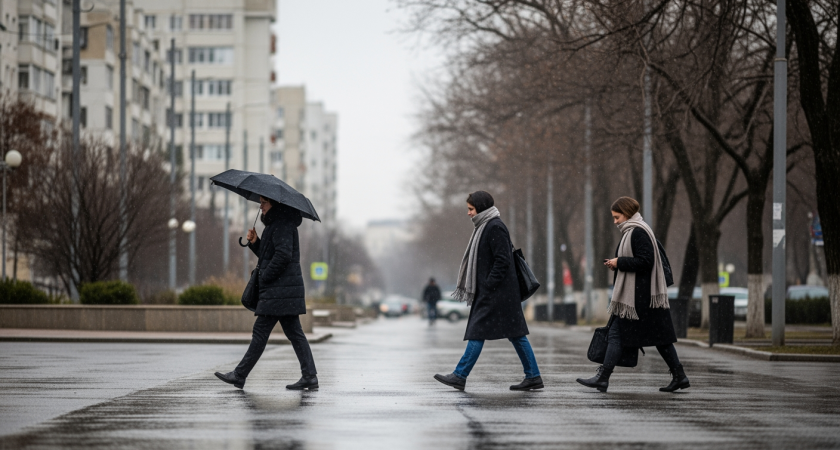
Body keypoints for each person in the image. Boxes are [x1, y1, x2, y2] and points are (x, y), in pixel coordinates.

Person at [576, 196, 689, 393]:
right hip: (641, 296)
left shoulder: (638, 232)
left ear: (627, 213)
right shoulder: (633, 231)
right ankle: (679, 376)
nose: (615, 221)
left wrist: (620, 262)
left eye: (617, 217)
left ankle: (603, 378)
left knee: (617, 334)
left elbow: (646, 262)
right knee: (660, 339)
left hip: (639, 298)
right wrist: (618, 264)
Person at [434, 191, 543, 391]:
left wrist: (488, 284)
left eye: (471, 209)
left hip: (497, 293)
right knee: (516, 334)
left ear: (481, 208)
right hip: (499, 293)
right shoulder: (485, 226)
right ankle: (533, 376)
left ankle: (460, 375)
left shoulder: (494, 227)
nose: (468, 213)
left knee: (477, 331)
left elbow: (503, 260)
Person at [215, 196, 319, 391]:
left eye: (264, 202)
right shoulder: (277, 224)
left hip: (279, 290)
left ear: (275, 204)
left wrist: (265, 276)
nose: (260, 206)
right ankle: (309, 376)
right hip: (282, 290)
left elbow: (283, 255)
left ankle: (240, 375)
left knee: (261, 332)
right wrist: (256, 243)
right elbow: (270, 254)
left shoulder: (281, 224)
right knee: (294, 333)